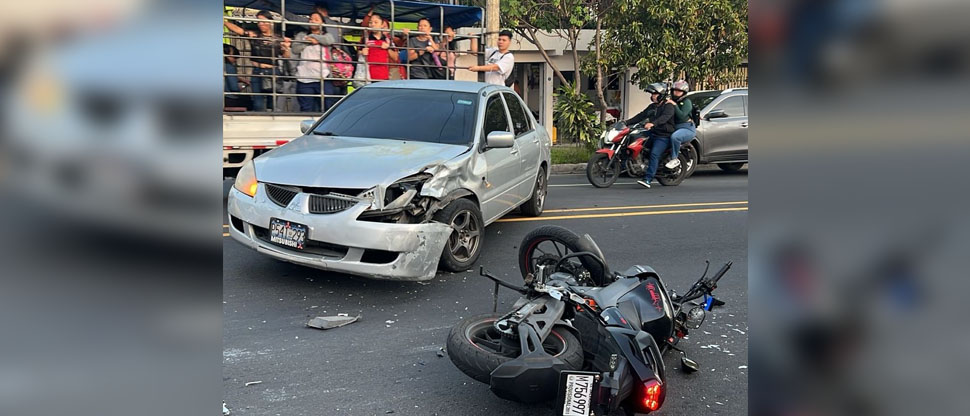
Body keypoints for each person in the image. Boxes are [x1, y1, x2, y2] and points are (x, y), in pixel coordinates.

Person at [224, 11, 291, 112]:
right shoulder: (254, 35)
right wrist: (224, 21)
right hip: (257, 71)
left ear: (270, 22)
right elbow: (239, 30)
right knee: (257, 102)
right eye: (259, 21)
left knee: (271, 102)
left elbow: (286, 56)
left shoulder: (278, 38)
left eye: (263, 21)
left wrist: (286, 48)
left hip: (272, 71)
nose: (261, 24)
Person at [627, 82, 676, 189]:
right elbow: (641, 115)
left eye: (655, 94)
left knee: (654, 154)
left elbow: (664, 118)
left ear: (661, 94)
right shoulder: (653, 107)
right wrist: (626, 122)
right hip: (653, 132)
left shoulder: (669, 106)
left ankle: (648, 179)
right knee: (633, 140)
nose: (652, 96)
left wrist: (653, 123)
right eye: (652, 94)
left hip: (664, 135)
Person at [293, 12, 335, 113]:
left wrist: (314, 37)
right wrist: (308, 42)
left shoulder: (326, 35)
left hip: (324, 77)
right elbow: (295, 49)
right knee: (306, 108)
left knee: (328, 107)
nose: (312, 21)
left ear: (323, 23)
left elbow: (329, 41)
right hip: (304, 78)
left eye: (316, 19)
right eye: (311, 19)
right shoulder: (302, 35)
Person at [666, 80, 695, 169]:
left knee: (675, 137)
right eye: (675, 90)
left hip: (686, 128)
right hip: (674, 127)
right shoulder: (671, 101)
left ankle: (674, 158)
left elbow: (682, 116)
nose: (676, 92)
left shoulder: (687, 102)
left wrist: (674, 105)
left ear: (684, 92)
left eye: (679, 91)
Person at [361, 14, 391, 81]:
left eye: (376, 22)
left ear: (382, 24)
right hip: (368, 76)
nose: (373, 24)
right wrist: (362, 52)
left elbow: (396, 57)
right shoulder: (365, 38)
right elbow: (358, 52)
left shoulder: (388, 39)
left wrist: (388, 48)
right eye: (370, 22)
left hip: (385, 75)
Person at [223, 44, 251, 110]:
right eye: (234, 57)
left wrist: (239, 79)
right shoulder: (229, 67)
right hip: (229, 99)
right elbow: (234, 88)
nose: (235, 60)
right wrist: (244, 86)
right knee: (249, 100)